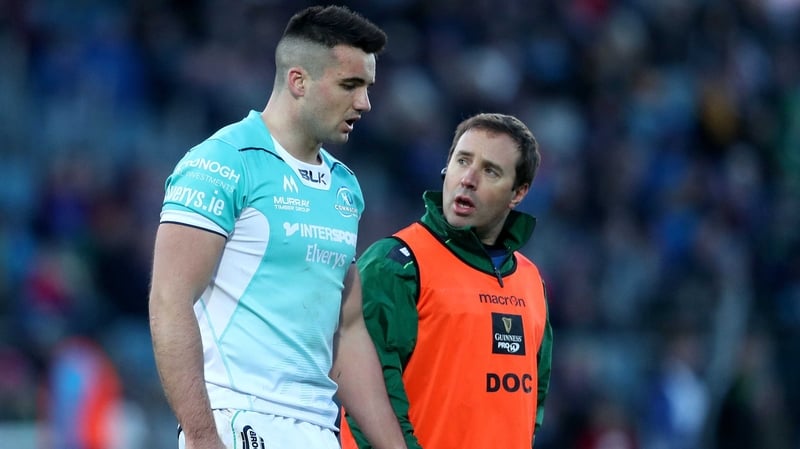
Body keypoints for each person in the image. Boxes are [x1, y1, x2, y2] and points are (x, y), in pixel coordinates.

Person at [148, 6, 407, 449]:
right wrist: (202, 437)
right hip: (239, 418)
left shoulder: (345, 188)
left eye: (367, 87)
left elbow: (346, 329)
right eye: (350, 85)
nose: (364, 103)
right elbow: (169, 301)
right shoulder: (222, 162)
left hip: (318, 428)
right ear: (298, 81)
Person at [340, 113, 553, 448]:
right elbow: (366, 402)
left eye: (490, 170)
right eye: (462, 161)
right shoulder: (397, 264)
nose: (468, 179)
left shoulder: (531, 281)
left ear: (518, 193)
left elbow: (531, 406)